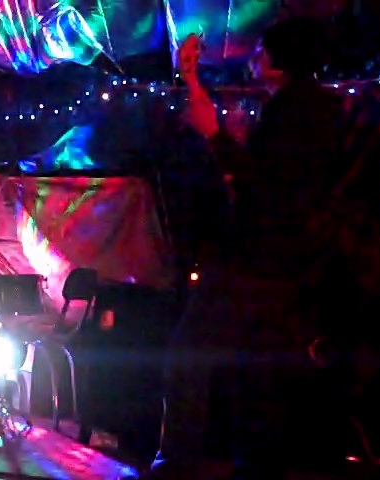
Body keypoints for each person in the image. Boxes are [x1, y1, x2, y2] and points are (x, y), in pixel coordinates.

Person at [127, 17, 359, 479]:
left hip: (257, 261)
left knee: (191, 355)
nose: (253, 57)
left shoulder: (298, 112)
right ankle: (251, 463)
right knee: (257, 373)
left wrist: (216, 138)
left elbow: (267, 186)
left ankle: (178, 461)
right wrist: (192, 80)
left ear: (281, 61)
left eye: (262, 51)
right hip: (286, 264)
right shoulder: (313, 108)